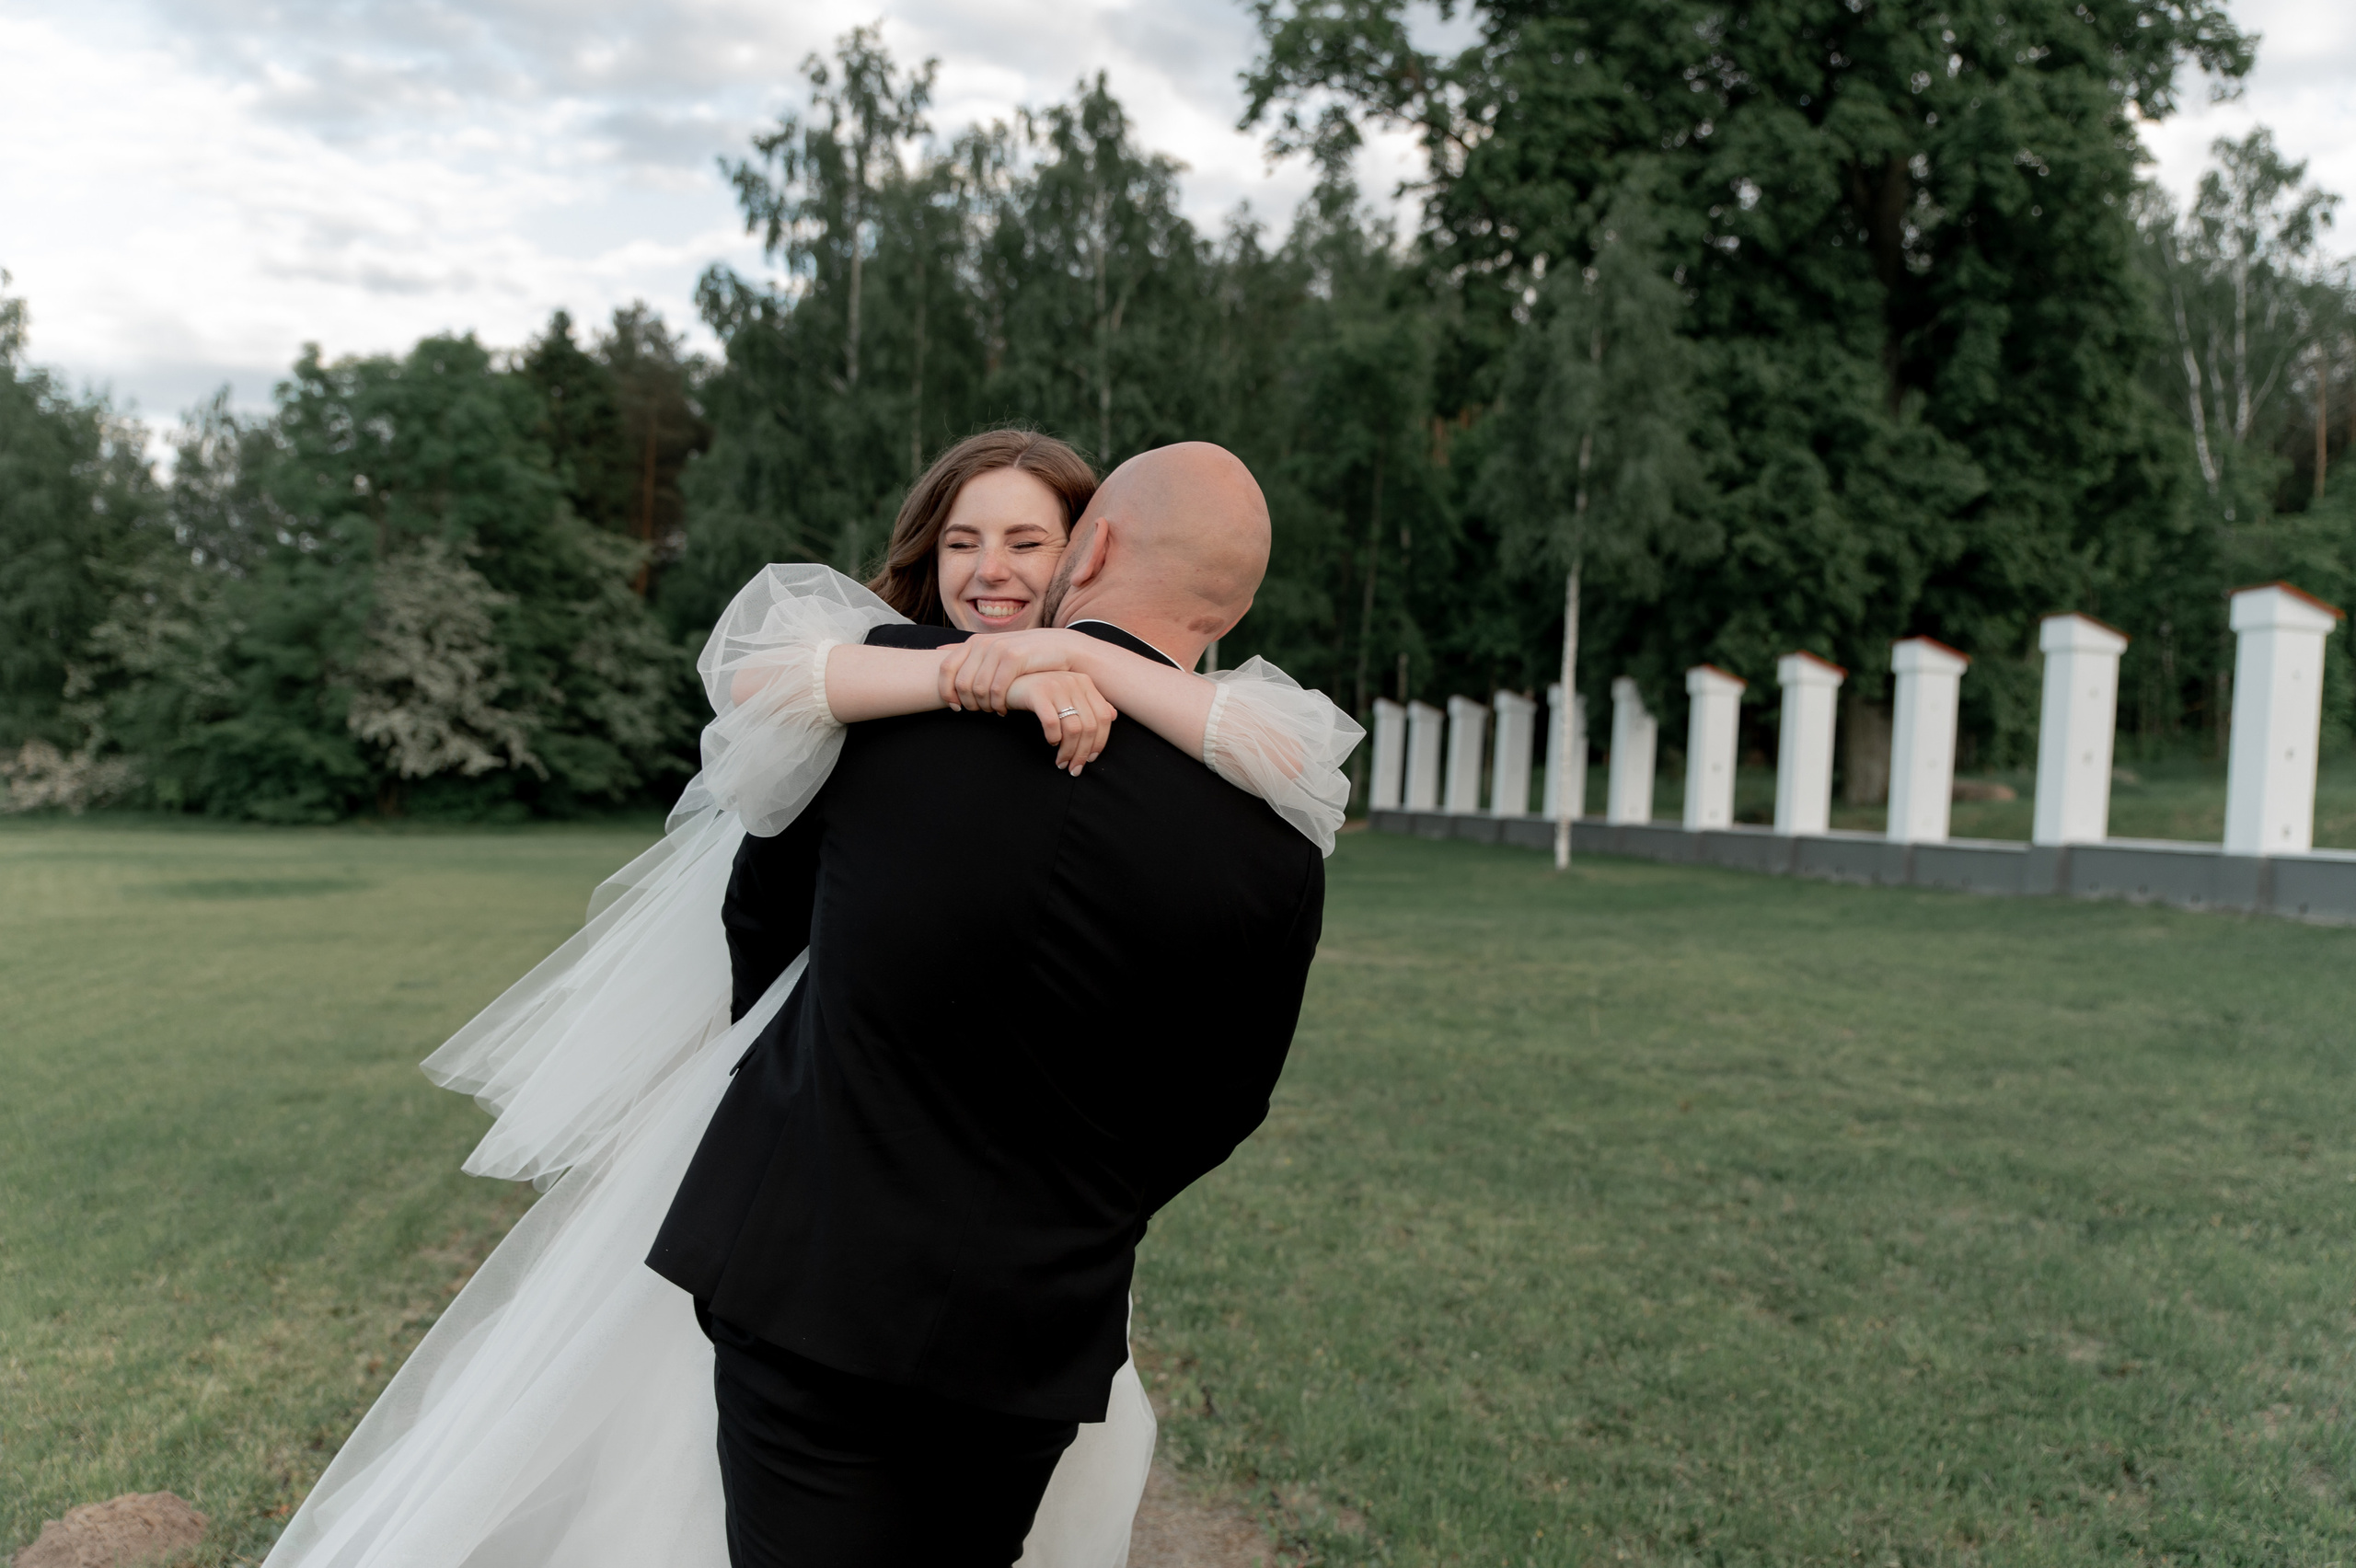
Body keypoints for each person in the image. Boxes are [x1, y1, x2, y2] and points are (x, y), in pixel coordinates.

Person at [256, 432, 1359, 1568]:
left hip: (808, 1272)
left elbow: (763, 927)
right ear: (1230, 605)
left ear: (1097, 544)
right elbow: (1225, 1100)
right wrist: (1068, 1205)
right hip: (1031, 1326)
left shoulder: (883, 719)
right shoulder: (1276, 849)